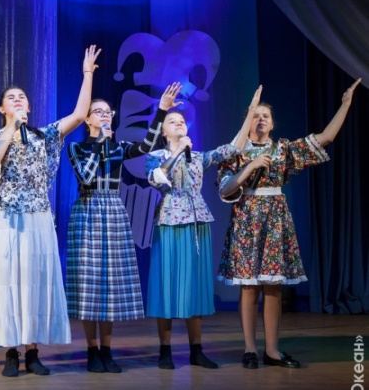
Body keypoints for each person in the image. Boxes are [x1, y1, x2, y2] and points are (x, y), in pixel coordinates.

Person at [217, 78, 361, 369]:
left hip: (275, 219)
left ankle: (272, 351)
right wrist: (250, 166)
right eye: (256, 115)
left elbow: (325, 138)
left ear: (272, 124)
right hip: (247, 219)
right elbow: (225, 189)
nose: (261, 119)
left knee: (273, 287)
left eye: (266, 116)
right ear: (248, 120)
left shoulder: (283, 150)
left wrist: (345, 105)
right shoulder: (235, 152)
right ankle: (249, 349)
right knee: (249, 286)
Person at [0, 46, 99, 377]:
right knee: (7, 283)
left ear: (29, 106)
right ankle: (10, 351)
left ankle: (32, 351)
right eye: (11, 98)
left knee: (33, 283)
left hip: (38, 217)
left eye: (22, 98)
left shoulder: (45, 136)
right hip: (4, 217)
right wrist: (10, 128)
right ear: (2, 108)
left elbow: (80, 113)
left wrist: (87, 73)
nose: (17, 101)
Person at [66, 82, 182, 373]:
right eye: (98, 112)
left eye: (108, 112)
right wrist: (101, 144)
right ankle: (92, 350)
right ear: (87, 119)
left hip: (113, 211)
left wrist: (161, 111)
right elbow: (87, 176)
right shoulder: (77, 147)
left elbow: (148, 146)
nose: (105, 115)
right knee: (89, 285)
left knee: (110, 285)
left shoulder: (119, 148)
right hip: (88, 210)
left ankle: (107, 350)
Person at [144, 87, 260, 370]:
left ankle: (196, 350)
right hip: (170, 222)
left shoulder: (198, 157)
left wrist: (250, 112)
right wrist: (177, 152)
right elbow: (157, 180)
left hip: (197, 223)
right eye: (172, 122)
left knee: (194, 285)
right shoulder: (156, 155)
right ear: (163, 131)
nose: (179, 124)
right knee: (167, 284)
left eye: (182, 121)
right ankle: (165, 351)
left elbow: (232, 147)